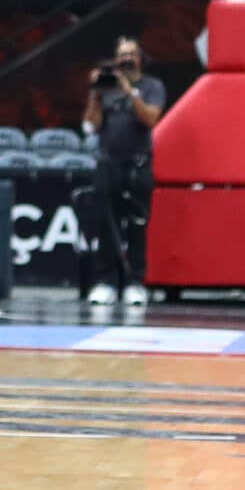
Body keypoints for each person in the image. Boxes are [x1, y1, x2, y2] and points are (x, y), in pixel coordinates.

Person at [78, 35, 166, 309]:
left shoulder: (151, 86)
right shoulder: (105, 90)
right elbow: (90, 127)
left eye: (131, 54)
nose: (126, 58)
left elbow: (151, 118)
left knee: (137, 225)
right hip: (109, 163)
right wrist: (95, 93)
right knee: (107, 224)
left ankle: (135, 283)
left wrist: (130, 91)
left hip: (138, 164)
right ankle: (105, 282)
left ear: (140, 58)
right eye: (122, 54)